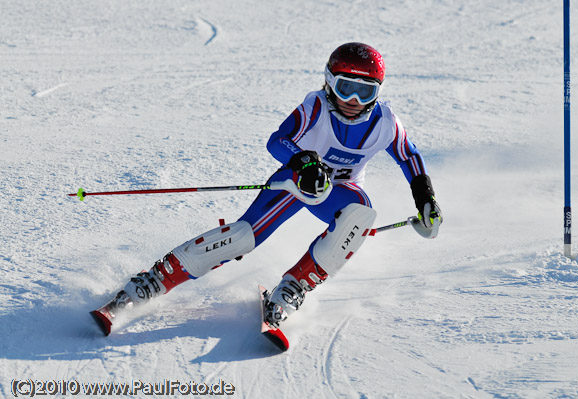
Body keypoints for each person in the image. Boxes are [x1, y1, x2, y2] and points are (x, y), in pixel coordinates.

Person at [91, 42, 443, 335]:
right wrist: (303, 162)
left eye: (364, 91)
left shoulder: (385, 122)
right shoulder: (316, 106)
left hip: (339, 192)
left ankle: (294, 287)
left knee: (361, 214)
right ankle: (154, 280)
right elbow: (278, 140)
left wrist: (425, 198)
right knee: (244, 237)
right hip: (297, 183)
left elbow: (408, 157)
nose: (352, 100)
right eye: (344, 87)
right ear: (328, 82)